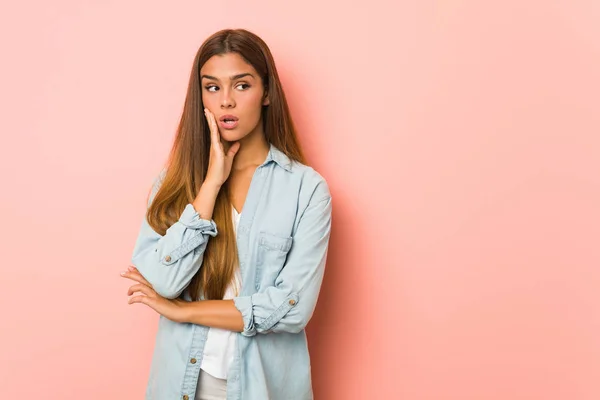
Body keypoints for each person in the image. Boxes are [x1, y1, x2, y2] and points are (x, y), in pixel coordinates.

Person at [120, 28, 333, 400]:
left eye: (242, 85)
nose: (226, 102)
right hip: (181, 385)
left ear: (267, 93)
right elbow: (164, 283)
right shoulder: (173, 184)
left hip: (262, 388)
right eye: (213, 87)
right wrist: (209, 187)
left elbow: (291, 309)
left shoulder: (306, 190)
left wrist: (186, 313)